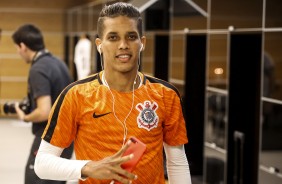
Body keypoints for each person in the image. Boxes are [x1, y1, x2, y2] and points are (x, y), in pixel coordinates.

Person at [34, 2, 192, 184]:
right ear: (100, 45)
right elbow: (42, 163)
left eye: (131, 36)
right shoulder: (76, 95)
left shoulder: (166, 95)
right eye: (113, 37)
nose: (123, 45)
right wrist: (88, 167)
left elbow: (177, 162)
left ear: (142, 43)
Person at [12, 24, 74, 184]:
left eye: (17, 48)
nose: (18, 53)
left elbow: (44, 111)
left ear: (23, 46)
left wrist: (25, 117)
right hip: (67, 139)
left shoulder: (38, 69)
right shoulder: (58, 63)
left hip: (48, 140)